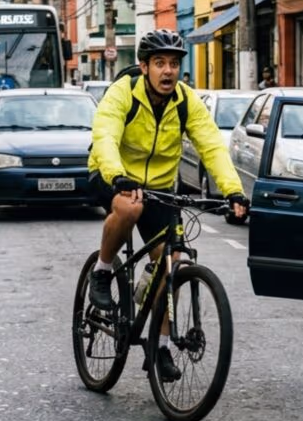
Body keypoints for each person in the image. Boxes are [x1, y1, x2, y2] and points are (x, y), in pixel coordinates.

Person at [86, 29, 250, 380]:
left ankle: (158, 347)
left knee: (172, 265)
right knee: (130, 208)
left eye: (174, 64)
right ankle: (102, 270)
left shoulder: (186, 101)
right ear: (144, 66)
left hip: (160, 189)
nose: (168, 71)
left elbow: (211, 146)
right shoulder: (123, 93)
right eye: (159, 63)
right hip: (113, 175)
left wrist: (233, 191)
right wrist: (117, 175)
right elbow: (105, 135)